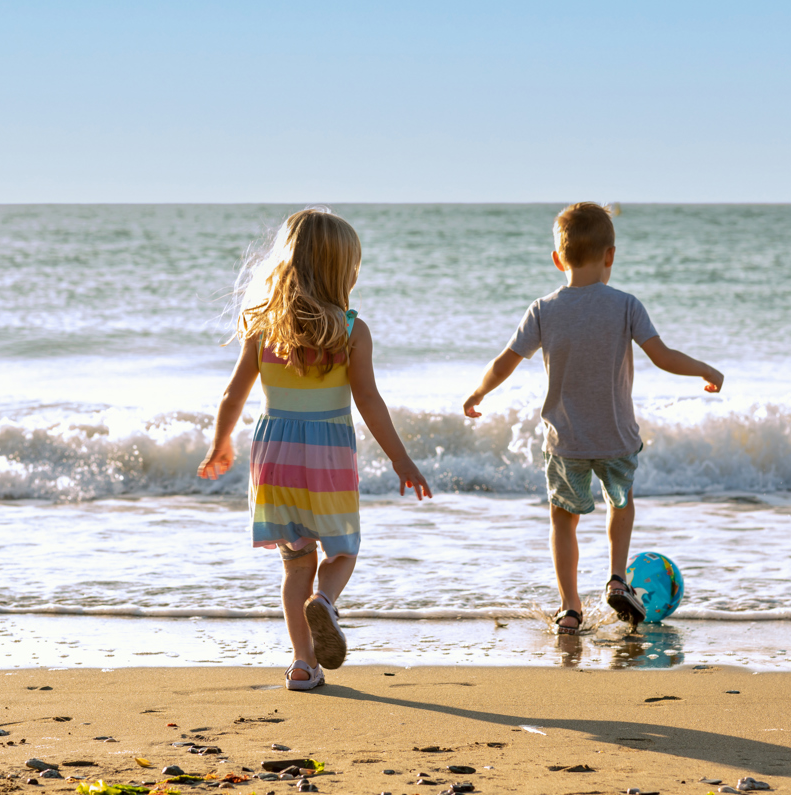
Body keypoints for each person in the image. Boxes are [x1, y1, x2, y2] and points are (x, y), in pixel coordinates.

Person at [198, 208, 432, 690]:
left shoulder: (262, 328)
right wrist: (400, 458)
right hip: (327, 458)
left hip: (275, 457)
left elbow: (232, 395)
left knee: (294, 562)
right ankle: (326, 600)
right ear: (342, 271)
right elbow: (368, 399)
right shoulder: (350, 331)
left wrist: (220, 443)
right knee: (342, 549)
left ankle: (303, 665)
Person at [463, 202, 722, 633]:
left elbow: (506, 361)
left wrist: (478, 392)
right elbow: (662, 356)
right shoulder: (625, 306)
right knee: (621, 503)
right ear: (611, 256)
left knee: (564, 519)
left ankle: (569, 608)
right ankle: (617, 578)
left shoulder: (543, 310)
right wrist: (705, 369)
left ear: (557, 259)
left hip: (566, 442)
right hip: (617, 436)